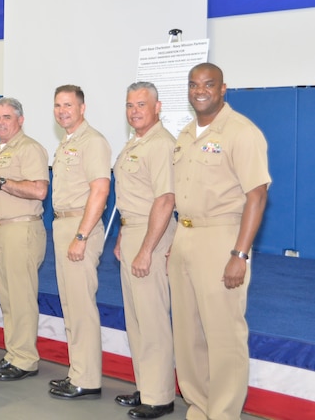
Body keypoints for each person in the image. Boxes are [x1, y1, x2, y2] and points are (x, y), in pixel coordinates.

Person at [169, 63, 270, 420]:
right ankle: (199, 407)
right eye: (194, 84)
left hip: (222, 237)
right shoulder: (184, 134)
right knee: (187, 332)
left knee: (224, 334)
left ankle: (224, 413)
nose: (200, 90)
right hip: (185, 236)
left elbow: (257, 196)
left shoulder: (241, 132)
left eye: (208, 84)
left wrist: (239, 254)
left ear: (223, 89)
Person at [112, 82, 177, 419]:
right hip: (134, 229)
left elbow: (165, 199)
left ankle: (161, 396)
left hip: (153, 234)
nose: (135, 110)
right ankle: (146, 386)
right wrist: (125, 235)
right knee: (136, 319)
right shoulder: (135, 143)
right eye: (129, 105)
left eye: (141, 104)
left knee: (152, 319)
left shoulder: (161, 144)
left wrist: (147, 249)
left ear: (158, 107)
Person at [0, 97, 49, 381]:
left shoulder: (30, 148)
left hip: (22, 230)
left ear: (20, 120)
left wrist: (1, 181)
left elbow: (39, 190)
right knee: (8, 298)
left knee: (22, 297)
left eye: (7, 117)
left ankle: (26, 360)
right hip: (0, 229)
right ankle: (13, 353)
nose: (0, 122)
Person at [48, 84, 111, 400]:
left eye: (68, 105)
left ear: (82, 108)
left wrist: (82, 236)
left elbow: (100, 191)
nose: (62, 111)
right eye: (58, 105)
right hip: (63, 224)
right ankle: (78, 372)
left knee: (82, 306)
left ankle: (88, 379)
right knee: (71, 304)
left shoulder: (93, 142)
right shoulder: (67, 143)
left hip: (79, 227)